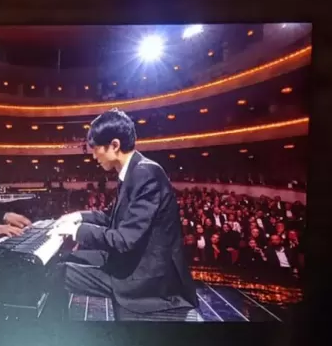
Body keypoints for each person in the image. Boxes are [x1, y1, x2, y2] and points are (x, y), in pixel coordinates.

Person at [10, 109, 197, 319]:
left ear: (114, 145)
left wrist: (77, 231)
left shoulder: (146, 173)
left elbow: (125, 240)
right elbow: (113, 219)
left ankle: (54, 336)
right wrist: (79, 216)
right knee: (61, 258)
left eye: (95, 148)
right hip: (133, 263)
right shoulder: (133, 171)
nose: (93, 155)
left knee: (57, 272)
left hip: (146, 280)